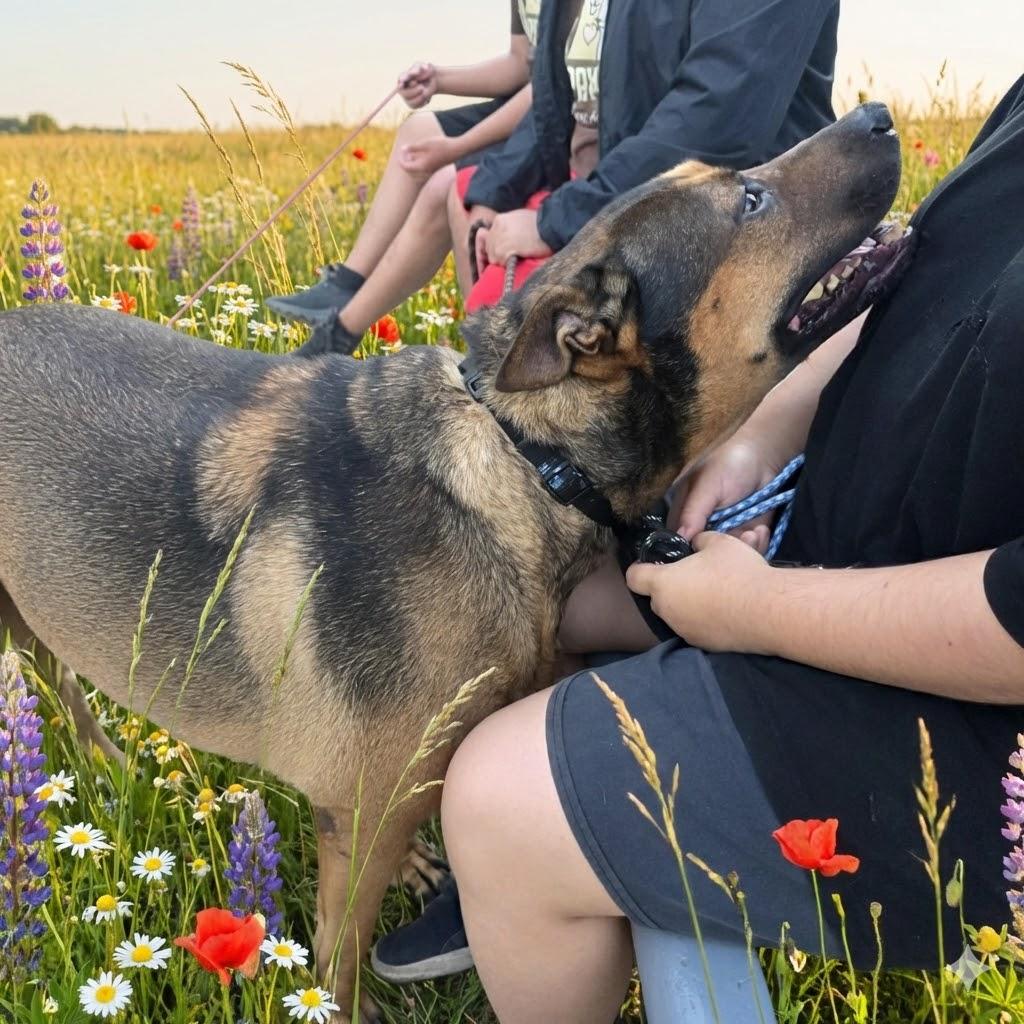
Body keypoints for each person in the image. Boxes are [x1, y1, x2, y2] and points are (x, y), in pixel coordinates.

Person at [373, 75, 1024, 1024]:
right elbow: (923, 285)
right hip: (826, 540)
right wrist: (758, 441)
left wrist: (754, 615)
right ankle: (529, 878)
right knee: (509, 585)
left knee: (497, 798)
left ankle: (523, 860)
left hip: (968, 723)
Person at [291, 0, 841, 355]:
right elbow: (560, 102)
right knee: (494, 340)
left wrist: (559, 222)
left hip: (744, 236)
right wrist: (493, 194)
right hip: (637, 216)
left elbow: (717, 118)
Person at [266, 3, 537, 331]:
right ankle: (347, 284)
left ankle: (479, 347)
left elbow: (556, 81)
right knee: (416, 133)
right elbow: (522, 63)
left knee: (454, 185)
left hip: (556, 112)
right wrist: (438, 79)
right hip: (532, 99)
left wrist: (459, 147)